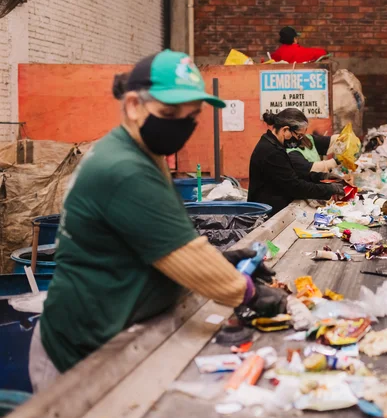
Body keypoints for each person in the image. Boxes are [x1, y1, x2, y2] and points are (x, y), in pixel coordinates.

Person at [30, 51, 289, 393]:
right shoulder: (123, 168)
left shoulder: (142, 154)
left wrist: (221, 261)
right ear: (135, 105)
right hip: (82, 350)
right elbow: (184, 255)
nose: (180, 126)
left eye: (191, 116)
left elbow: (157, 241)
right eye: (169, 114)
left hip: (114, 333)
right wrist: (248, 292)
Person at [248, 109, 345, 216]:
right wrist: (328, 189)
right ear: (285, 130)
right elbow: (295, 187)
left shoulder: (274, 146)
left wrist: (321, 177)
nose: (299, 140)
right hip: (266, 214)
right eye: (299, 136)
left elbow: (292, 174)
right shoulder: (271, 152)